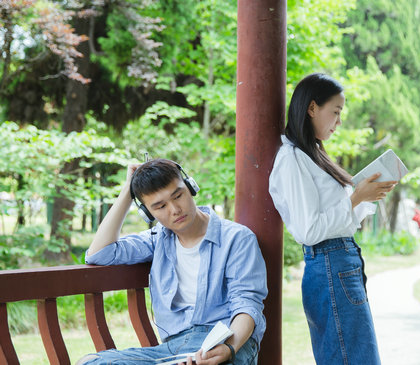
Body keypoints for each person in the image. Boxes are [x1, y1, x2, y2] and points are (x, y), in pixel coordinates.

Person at [77, 158, 267, 365]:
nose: (175, 209)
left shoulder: (237, 238)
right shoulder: (157, 239)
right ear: (147, 213)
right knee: (91, 362)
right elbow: (98, 254)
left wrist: (229, 347)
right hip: (174, 349)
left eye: (178, 195)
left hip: (225, 342)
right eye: (160, 206)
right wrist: (127, 193)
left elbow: (247, 305)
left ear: (190, 187)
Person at [268, 73, 397, 364]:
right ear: (312, 108)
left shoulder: (312, 154)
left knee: (353, 356)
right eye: (335, 112)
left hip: (339, 262)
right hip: (329, 263)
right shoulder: (292, 158)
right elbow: (309, 229)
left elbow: (339, 220)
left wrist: (365, 196)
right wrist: (355, 198)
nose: (338, 122)